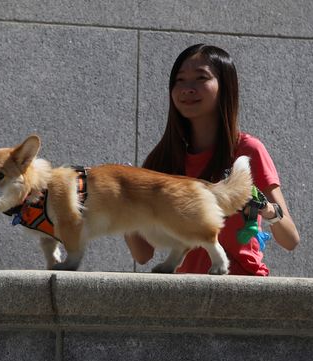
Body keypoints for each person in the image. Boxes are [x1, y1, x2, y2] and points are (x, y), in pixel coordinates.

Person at [126, 44, 299, 275]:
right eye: (180, 80)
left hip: (241, 289)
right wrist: (126, 200)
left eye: (200, 78)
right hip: (184, 294)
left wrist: (267, 209)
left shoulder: (248, 150)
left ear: (225, 86)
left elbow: (290, 239)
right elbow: (142, 254)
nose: (187, 88)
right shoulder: (163, 159)